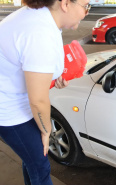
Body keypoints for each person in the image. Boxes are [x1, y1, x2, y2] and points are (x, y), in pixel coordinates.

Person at [0, 0, 91, 184]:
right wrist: (46, 129)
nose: (86, 13)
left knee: (32, 160)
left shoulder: (40, 17)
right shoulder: (39, 33)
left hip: (16, 99)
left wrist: (51, 76)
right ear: (66, 3)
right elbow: (38, 101)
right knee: (40, 165)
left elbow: (27, 63)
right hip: (9, 110)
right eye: (86, 6)